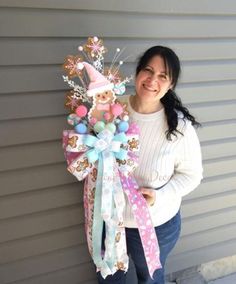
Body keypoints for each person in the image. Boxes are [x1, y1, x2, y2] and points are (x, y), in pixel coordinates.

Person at [96, 46, 203, 284]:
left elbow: (192, 175)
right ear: (137, 72)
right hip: (111, 221)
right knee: (109, 278)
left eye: (163, 76)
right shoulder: (112, 110)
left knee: (150, 279)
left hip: (156, 226)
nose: (152, 80)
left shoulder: (179, 128)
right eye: (148, 70)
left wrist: (160, 195)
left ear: (170, 85)